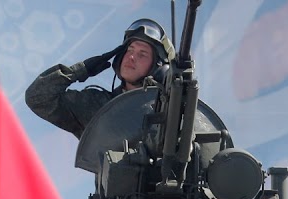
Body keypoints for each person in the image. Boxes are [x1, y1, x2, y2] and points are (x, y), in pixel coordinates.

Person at [25, 18, 175, 137]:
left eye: (142, 54)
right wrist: (80, 70)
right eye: (129, 49)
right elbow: (38, 97)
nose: (131, 57)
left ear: (159, 67)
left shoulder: (170, 110)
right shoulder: (98, 106)